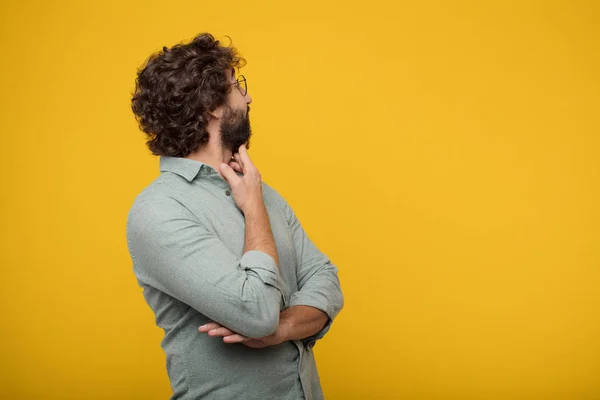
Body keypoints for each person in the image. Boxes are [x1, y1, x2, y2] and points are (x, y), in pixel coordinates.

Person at [126, 32, 344, 400]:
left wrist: (282, 327)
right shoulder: (159, 211)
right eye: (236, 86)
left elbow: (327, 281)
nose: (248, 97)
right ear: (212, 105)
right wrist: (254, 207)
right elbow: (256, 312)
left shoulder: (258, 188)